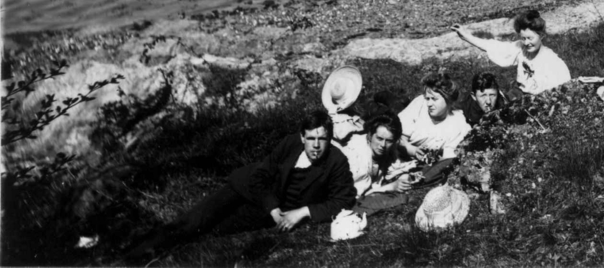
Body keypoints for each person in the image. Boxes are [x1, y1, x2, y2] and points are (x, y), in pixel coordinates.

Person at [125, 109, 355, 262]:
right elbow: (261, 175)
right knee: (195, 220)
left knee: (214, 232)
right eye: (311, 138)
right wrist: (274, 208)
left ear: (330, 138)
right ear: (302, 137)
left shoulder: (337, 162)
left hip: (267, 211)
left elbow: (343, 200)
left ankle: (164, 257)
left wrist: (303, 212)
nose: (316, 145)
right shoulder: (290, 144)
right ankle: (132, 257)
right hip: (248, 188)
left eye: (322, 139)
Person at [453, 9, 571, 96]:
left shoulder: (552, 61)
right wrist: (466, 36)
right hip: (517, 94)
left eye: (530, 38)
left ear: (542, 36)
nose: (526, 43)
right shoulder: (521, 48)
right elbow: (493, 46)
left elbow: (564, 87)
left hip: (539, 98)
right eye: (523, 38)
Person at [397, 71, 472, 162]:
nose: (429, 104)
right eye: (427, 98)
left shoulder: (458, 121)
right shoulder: (420, 104)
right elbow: (397, 138)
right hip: (401, 156)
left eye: (434, 99)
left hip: (431, 165)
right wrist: (413, 150)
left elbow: (452, 155)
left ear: (448, 99)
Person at [339, 113, 406, 198]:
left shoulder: (388, 150)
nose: (383, 145)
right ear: (370, 135)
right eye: (379, 139)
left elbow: (397, 164)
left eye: (389, 141)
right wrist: (390, 187)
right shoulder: (356, 156)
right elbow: (355, 195)